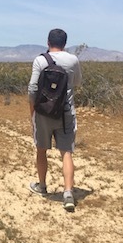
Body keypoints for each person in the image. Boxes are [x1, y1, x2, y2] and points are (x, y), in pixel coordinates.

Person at [28, 28, 82, 212]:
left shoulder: (40, 60)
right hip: (65, 113)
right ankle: (68, 193)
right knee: (66, 152)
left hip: (43, 112)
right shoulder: (73, 60)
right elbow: (76, 83)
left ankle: (42, 186)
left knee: (41, 150)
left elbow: (32, 89)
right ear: (65, 43)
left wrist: (32, 111)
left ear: (48, 41)